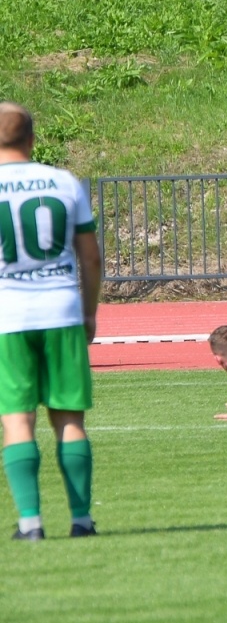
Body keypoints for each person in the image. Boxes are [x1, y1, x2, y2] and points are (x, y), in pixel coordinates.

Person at [0, 103, 101, 541]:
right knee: (69, 420)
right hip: (61, 309)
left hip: (8, 316)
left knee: (17, 421)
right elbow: (91, 256)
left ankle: (31, 524)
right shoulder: (64, 182)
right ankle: (81, 520)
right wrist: (90, 311)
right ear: (32, 137)